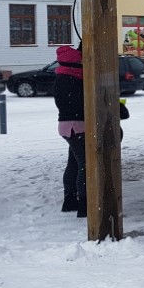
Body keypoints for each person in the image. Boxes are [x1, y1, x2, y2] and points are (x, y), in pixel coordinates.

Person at [53, 44, 87, 218]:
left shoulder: (62, 78)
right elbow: (80, 102)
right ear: (74, 63)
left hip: (67, 126)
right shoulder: (73, 80)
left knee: (74, 163)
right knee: (85, 164)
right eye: (80, 60)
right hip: (77, 126)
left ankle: (70, 199)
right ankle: (84, 204)